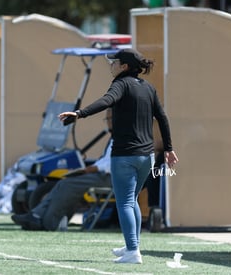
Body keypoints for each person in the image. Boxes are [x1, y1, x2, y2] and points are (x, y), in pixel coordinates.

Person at [58, 48, 179, 264]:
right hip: (147, 157)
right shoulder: (148, 88)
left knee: (124, 202)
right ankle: (132, 245)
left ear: (124, 66)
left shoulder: (120, 84)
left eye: (114, 62)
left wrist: (79, 113)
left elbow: (106, 101)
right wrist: (168, 148)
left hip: (125, 156)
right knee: (131, 199)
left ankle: (133, 251)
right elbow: (162, 118)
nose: (111, 65)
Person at [11, 109, 113, 231]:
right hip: (102, 174)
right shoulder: (114, 137)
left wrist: (92, 168)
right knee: (64, 182)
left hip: (111, 177)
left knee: (68, 184)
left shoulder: (123, 137)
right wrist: (87, 169)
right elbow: (106, 160)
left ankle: (49, 223)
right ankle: (36, 215)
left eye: (109, 119)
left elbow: (114, 164)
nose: (107, 122)